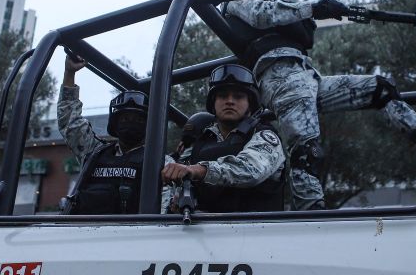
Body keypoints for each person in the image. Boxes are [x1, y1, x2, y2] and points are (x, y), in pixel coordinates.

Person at [220, 0, 416, 210]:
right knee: (306, 152)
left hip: (306, 75)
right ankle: (311, 217)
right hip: (282, 78)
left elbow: (298, 29)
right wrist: (313, 8)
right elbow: (263, 14)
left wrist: (315, 14)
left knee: (380, 89)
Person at [161, 64, 286, 213]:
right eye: (222, 96)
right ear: (213, 104)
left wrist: (197, 170)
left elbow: (250, 170)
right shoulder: (200, 142)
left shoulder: (265, 136)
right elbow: (177, 178)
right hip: (202, 232)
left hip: (256, 230)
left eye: (238, 96)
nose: (230, 101)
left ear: (250, 105)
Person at [58, 53, 171, 214]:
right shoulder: (94, 153)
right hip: (82, 235)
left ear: (148, 125)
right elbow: (70, 122)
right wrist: (69, 73)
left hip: (133, 237)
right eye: (125, 118)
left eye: (137, 120)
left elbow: (164, 213)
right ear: (115, 123)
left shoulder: (160, 161)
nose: (130, 123)